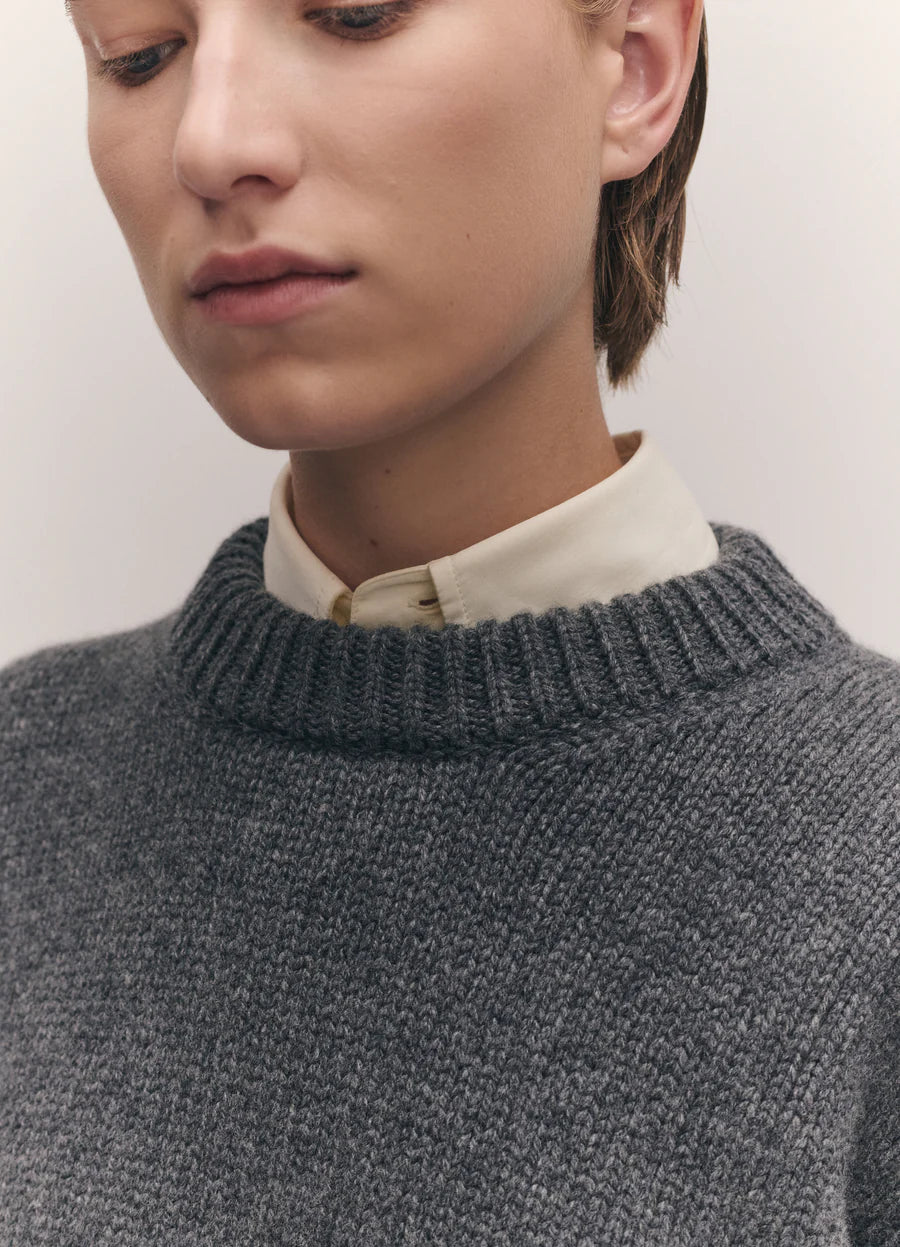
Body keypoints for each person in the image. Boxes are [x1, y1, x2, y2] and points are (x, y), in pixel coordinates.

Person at [1, 0, 897, 1241]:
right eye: (138, 54)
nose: (209, 143)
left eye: (354, 13)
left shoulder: (868, 850)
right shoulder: (25, 784)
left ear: (637, 70)